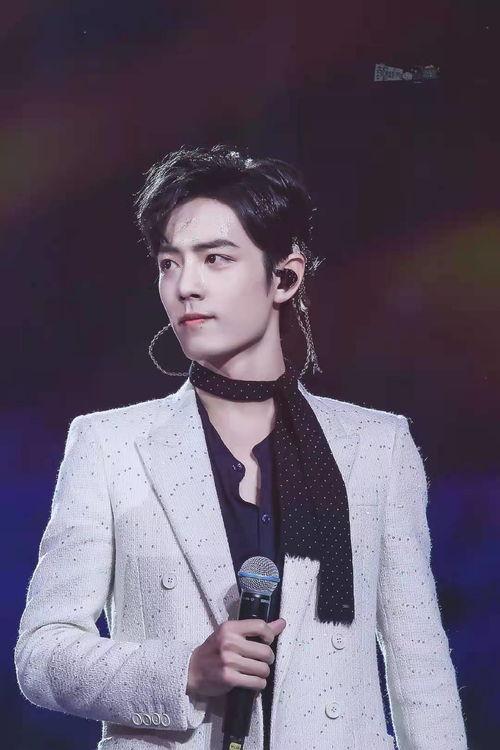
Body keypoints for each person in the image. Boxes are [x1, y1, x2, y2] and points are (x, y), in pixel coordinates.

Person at [14, 144, 468, 750]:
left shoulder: (376, 447)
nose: (186, 286)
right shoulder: (109, 444)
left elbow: (420, 666)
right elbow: (41, 653)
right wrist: (184, 671)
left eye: (216, 259)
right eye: (169, 263)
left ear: (285, 277)